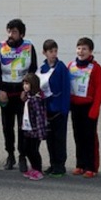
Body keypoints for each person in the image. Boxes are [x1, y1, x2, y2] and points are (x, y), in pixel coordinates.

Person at [0, 19, 38, 172]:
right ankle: (10, 154)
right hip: (6, 93)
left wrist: (27, 91)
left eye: (14, 32)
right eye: (9, 31)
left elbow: (33, 70)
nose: (11, 34)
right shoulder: (1, 47)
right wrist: (0, 90)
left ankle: (22, 156)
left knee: (23, 126)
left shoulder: (29, 47)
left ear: (21, 34)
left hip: (22, 94)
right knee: (7, 127)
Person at [69, 37, 101, 177]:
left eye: (84, 49)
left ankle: (91, 167)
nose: (81, 51)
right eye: (79, 48)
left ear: (90, 51)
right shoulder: (71, 65)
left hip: (89, 108)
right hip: (75, 107)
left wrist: (95, 109)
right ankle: (80, 164)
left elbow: (99, 89)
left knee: (90, 138)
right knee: (78, 136)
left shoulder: (95, 67)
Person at [39, 39, 70, 177]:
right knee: (50, 138)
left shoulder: (61, 67)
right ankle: (52, 163)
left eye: (55, 51)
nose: (53, 54)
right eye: (50, 51)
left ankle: (60, 165)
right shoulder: (42, 68)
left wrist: (64, 109)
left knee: (59, 138)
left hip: (59, 109)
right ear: (44, 53)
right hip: (47, 109)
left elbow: (66, 88)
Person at [21, 72, 48, 180]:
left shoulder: (36, 99)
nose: (25, 86)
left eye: (27, 84)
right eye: (24, 83)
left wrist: (40, 132)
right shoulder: (28, 97)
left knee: (33, 150)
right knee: (27, 149)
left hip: (35, 131)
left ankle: (38, 169)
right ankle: (33, 168)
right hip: (27, 129)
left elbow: (39, 116)